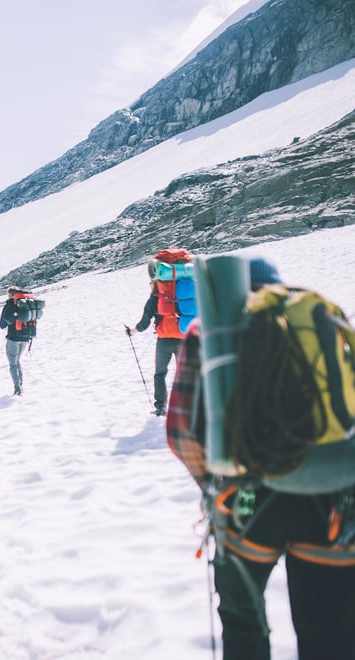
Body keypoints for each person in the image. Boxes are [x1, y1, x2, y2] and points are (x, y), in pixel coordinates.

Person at [167, 258, 355, 659]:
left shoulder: (213, 332)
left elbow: (182, 433)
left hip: (246, 505)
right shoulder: (319, 319)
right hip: (331, 503)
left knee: (244, 625)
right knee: (330, 633)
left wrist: (218, 480)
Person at [127, 281, 182, 416]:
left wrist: (132, 331)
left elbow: (145, 322)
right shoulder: (181, 293)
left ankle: (161, 407)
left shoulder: (154, 299)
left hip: (164, 341)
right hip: (184, 338)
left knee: (160, 374)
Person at [0, 285, 35, 396]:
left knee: (13, 364)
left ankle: (18, 389)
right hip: (26, 338)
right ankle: (20, 385)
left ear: (10, 294)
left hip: (13, 338)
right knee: (17, 361)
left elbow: (1, 325)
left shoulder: (9, 305)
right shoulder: (26, 304)